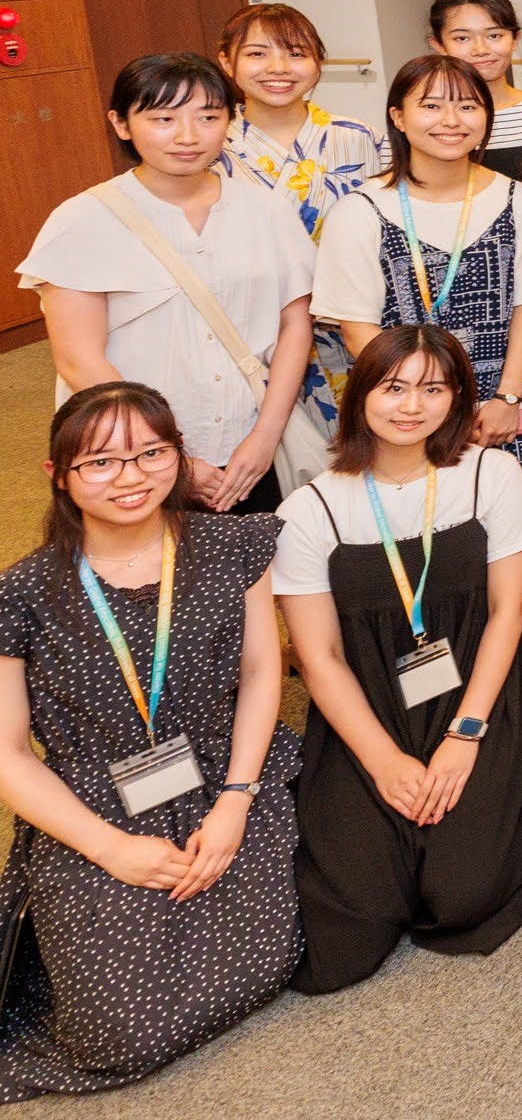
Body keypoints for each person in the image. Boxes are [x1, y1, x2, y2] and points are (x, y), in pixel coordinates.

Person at [0, 384, 299, 1100]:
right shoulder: (23, 593)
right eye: (101, 462)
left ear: (178, 457)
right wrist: (113, 849)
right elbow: (7, 754)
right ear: (58, 476)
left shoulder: (232, 545)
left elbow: (263, 674)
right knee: (118, 1035)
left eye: (150, 454)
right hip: (97, 807)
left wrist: (235, 802)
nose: (130, 477)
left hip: (226, 776)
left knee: (271, 963)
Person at [273, 326, 522, 993]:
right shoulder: (310, 509)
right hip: (368, 710)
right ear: (360, 394)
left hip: (476, 697)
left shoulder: (492, 473)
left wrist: (466, 735)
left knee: (464, 895)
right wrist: (383, 761)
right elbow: (318, 659)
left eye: (433, 388)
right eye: (393, 387)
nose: (411, 405)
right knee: (356, 911)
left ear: (457, 397)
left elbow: (509, 614)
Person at [315, 54, 522, 672]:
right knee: (423, 553)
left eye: (467, 105)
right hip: (406, 410)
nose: (451, 120)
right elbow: (357, 325)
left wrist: (503, 399)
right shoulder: (361, 210)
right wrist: (425, 402)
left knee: (521, 547)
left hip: (506, 405)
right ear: (397, 116)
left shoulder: (515, 197)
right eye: (431, 105)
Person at [21, 54, 316, 514]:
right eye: (163, 118)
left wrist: (264, 438)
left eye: (208, 117)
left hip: (252, 451)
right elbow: (78, 360)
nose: (187, 135)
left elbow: (294, 326)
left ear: (230, 122)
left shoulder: (266, 209)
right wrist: (169, 456)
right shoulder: (82, 219)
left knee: (266, 575)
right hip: (132, 464)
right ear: (121, 124)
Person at [215, 3, 380, 437]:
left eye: (295, 52)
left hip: (352, 327)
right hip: (255, 335)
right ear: (226, 62)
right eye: (256, 54)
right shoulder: (210, 147)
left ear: (319, 61)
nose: (278, 68)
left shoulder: (357, 138)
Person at [424, 0, 522, 180]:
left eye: (494, 36)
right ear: (438, 45)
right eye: (462, 38)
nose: (480, 49)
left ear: (515, 39)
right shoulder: (423, 120)